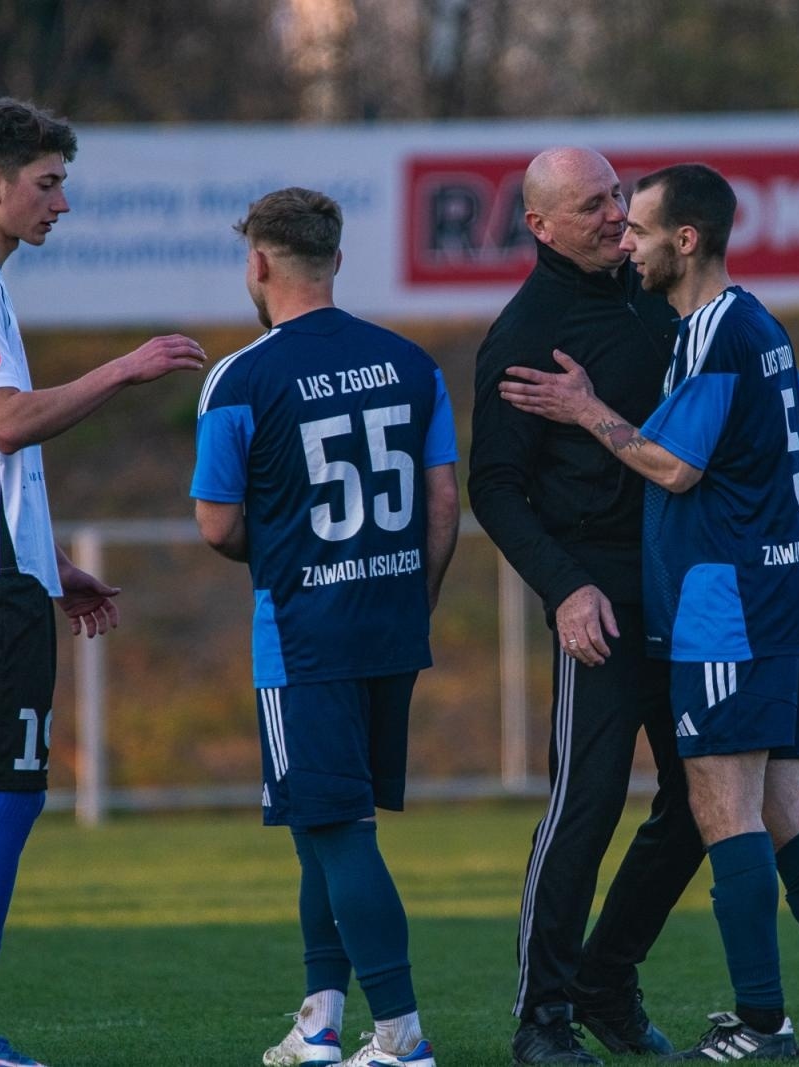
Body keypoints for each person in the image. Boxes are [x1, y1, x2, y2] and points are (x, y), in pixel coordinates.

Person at [469, 147, 799, 1065]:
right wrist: (567, 588)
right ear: (542, 226)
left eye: (620, 203)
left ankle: (620, 981)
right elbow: (495, 486)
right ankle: (545, 1016)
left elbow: (769, 407)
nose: (614, 220)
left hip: (699, 591)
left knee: (712, 804)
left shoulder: (670, 302)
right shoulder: (526, 332)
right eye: (597, 206)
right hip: (603, 599)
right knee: (589, 801)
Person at [0, 97, 207, 1067]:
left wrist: (49, 562)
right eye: (47, 182)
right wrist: (128, 366)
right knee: (14, 795)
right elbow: (5, 421)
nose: (60, 201)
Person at [191, 187, 460, 1067]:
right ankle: (318, 1022)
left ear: (259, 265)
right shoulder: (412, 363)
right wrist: (408, 597)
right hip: (390, 625)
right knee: (322, 823)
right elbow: (444, 501)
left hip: (304, 634)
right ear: (337, 261)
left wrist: (292, 566)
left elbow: (217, 523)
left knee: (339, 831)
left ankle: (401, 1036)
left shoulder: (241, 376)